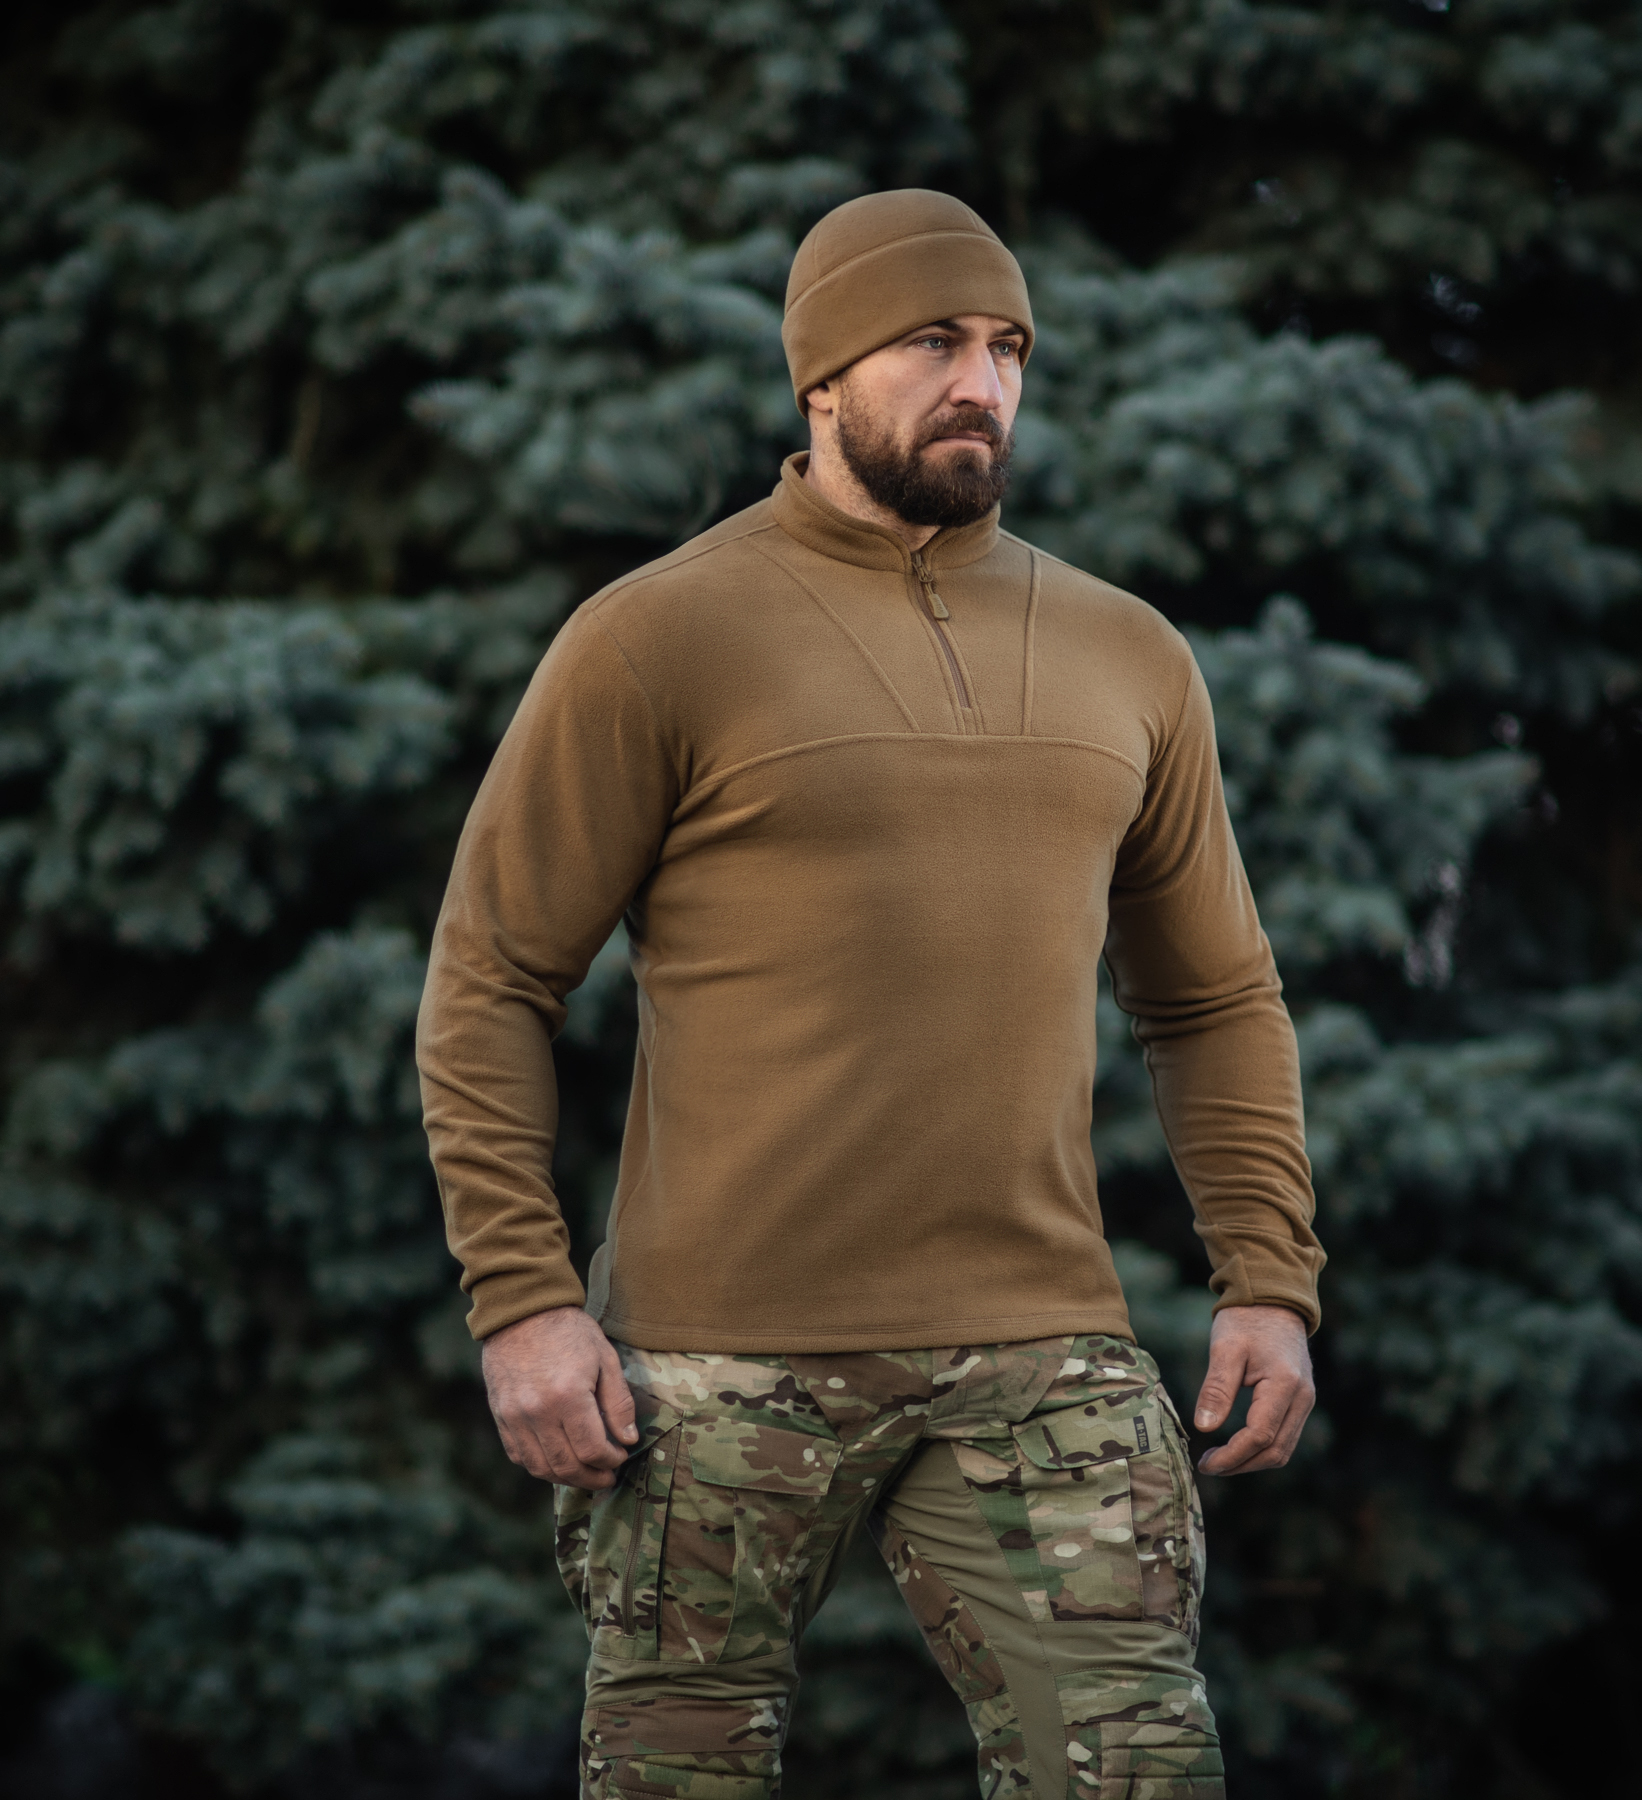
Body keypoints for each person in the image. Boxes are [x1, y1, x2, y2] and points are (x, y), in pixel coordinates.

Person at [417, 188, 1324, 1800]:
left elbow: (1213, 1002)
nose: (983, 383)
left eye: (1009, 348)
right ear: (821, 377)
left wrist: (1269, 1275)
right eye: (933, 343)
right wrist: (524, 1302)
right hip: (712, 1370)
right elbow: (492, 977)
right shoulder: (657, 636)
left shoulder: (1130, 655)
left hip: (1042, 1351)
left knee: (1139, 1769)